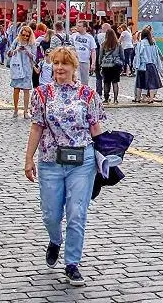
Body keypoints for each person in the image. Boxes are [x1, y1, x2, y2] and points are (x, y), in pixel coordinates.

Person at [24, 47, 106, 287]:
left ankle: (72, 263)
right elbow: (36, 127)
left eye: (64, 64)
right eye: (56, 63)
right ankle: (55, 240)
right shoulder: (42, 93)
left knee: (77, 213)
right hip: (50, 160)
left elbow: (95, 129)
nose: (59, 68)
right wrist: (29, 158)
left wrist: (105, 159)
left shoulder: (88, 94)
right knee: (51, 214)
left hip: (82, 161)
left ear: (73, 67)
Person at [132, 28, 163, 104]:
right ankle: (151, 98)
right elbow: (156, 55)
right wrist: (158, 66)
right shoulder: (152, 43)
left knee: (140, 83)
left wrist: (136, 65)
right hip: (152, 65)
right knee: (152, 82)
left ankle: (139, 98)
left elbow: (138, 55)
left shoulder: (141, 43)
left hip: (142, 65)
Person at [97, 29, 124, 103]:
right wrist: (122, 64)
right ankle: (115, 99)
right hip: (116, 64)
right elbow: (122, 55)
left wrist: (100, 64)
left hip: (106, 65)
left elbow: (100, 56)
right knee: (115, 82)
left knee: (106, 82)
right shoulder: (118, 44)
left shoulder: (103, 44)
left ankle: (106, 99)